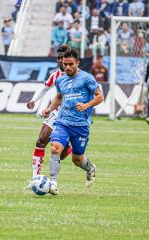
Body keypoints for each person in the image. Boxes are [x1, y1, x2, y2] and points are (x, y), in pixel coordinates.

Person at [42, 48, 104, 195]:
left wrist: (86, 105)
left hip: (80, 126)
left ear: (77, 62)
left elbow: (100, 96)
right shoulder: (61, 79)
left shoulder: (87, 78)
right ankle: (53, 184)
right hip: (62, 122)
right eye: (65, 64)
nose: (67, 67)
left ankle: (90, 168)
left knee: (76, 159)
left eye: (70, 64)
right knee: (55, 148)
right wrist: (49, 108)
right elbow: (59, 97)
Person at [25, 45, 72, 180]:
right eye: (57, 58)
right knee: (40, 141)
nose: (59, 61)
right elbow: (44, 88)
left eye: (61, 58)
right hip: (56, 112)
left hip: (71, 116)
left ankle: (68, 149)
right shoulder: (56, 75)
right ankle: (35, 178)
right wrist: (33, 100)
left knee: (60, 154)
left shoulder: (78, 76)